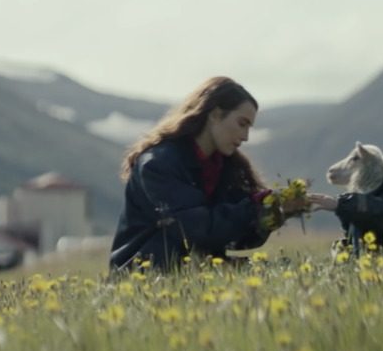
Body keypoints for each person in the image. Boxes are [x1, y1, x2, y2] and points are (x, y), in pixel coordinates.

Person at [108, 76, 299, 272]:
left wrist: (273, 212)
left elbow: (235, 239)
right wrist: (256, 207)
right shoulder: (159, 164)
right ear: (215, 114)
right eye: (242, 124)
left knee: (284, 270)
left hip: (195, 267)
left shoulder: (225, 166)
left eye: (249, 128)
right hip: (144, 273)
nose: (246, 137)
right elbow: (197, 230)